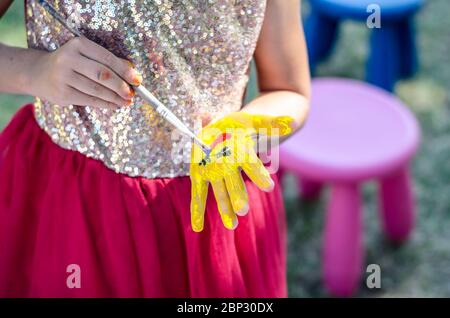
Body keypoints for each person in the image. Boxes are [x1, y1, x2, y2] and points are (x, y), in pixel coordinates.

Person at [0, 0, 310, 297]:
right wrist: (36, 71)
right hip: (71, 202)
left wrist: (247, 130)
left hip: (209, 207)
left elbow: (289, 91)